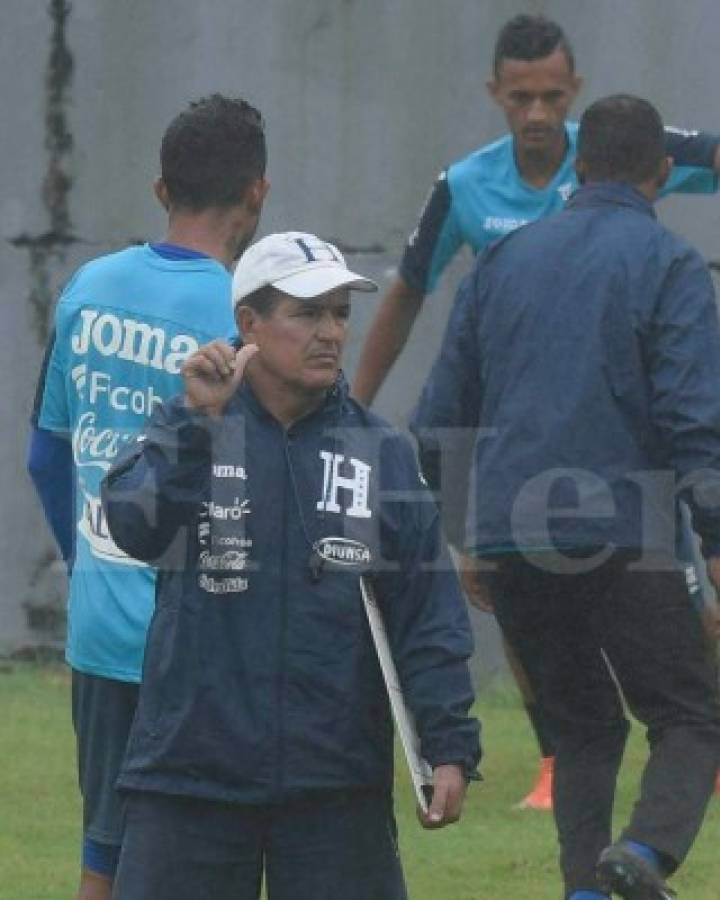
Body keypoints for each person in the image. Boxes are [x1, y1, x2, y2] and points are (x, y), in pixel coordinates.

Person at [356, 12, 720, 809]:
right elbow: (406, 292)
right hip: (532, 424)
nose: (536, 114)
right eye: (519, 98)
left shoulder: (618, 152)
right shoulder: (465, 186)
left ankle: (714, 735)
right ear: (495, 95)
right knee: (533, 596)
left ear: (572, 91)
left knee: (671, 580)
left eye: (549, 96)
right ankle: (566, 756)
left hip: (619, 416)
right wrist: (352, 408)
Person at [413, 93, 720, 900]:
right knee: (689, 717)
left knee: (583, 725)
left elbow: (433, 425)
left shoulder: (501, 263)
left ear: (577, 165)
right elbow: (688, 415)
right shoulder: (668, 264)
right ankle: (642, 855)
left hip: (510, 536)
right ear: (662, 174)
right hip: (622, 532)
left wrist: (468, 534)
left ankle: (588, 890)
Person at [99, 232, 481, 900]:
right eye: (306, 313)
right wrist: (196, 422)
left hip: (335, 786)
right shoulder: (189, 421)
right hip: (190, 777)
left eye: (339, 313)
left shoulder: (380, 454)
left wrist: (446, 745)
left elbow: (428, 616)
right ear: (247, 321)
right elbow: (132, 526)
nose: (330, 332)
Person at [26, 94, 268, 900]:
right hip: (197, 638)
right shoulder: (243, 317)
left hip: (100, 629)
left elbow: (44, 454)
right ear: (257, 193)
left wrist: (90, 564)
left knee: (106, 855)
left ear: (160, 189)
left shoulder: (88, 288)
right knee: (210, 859)